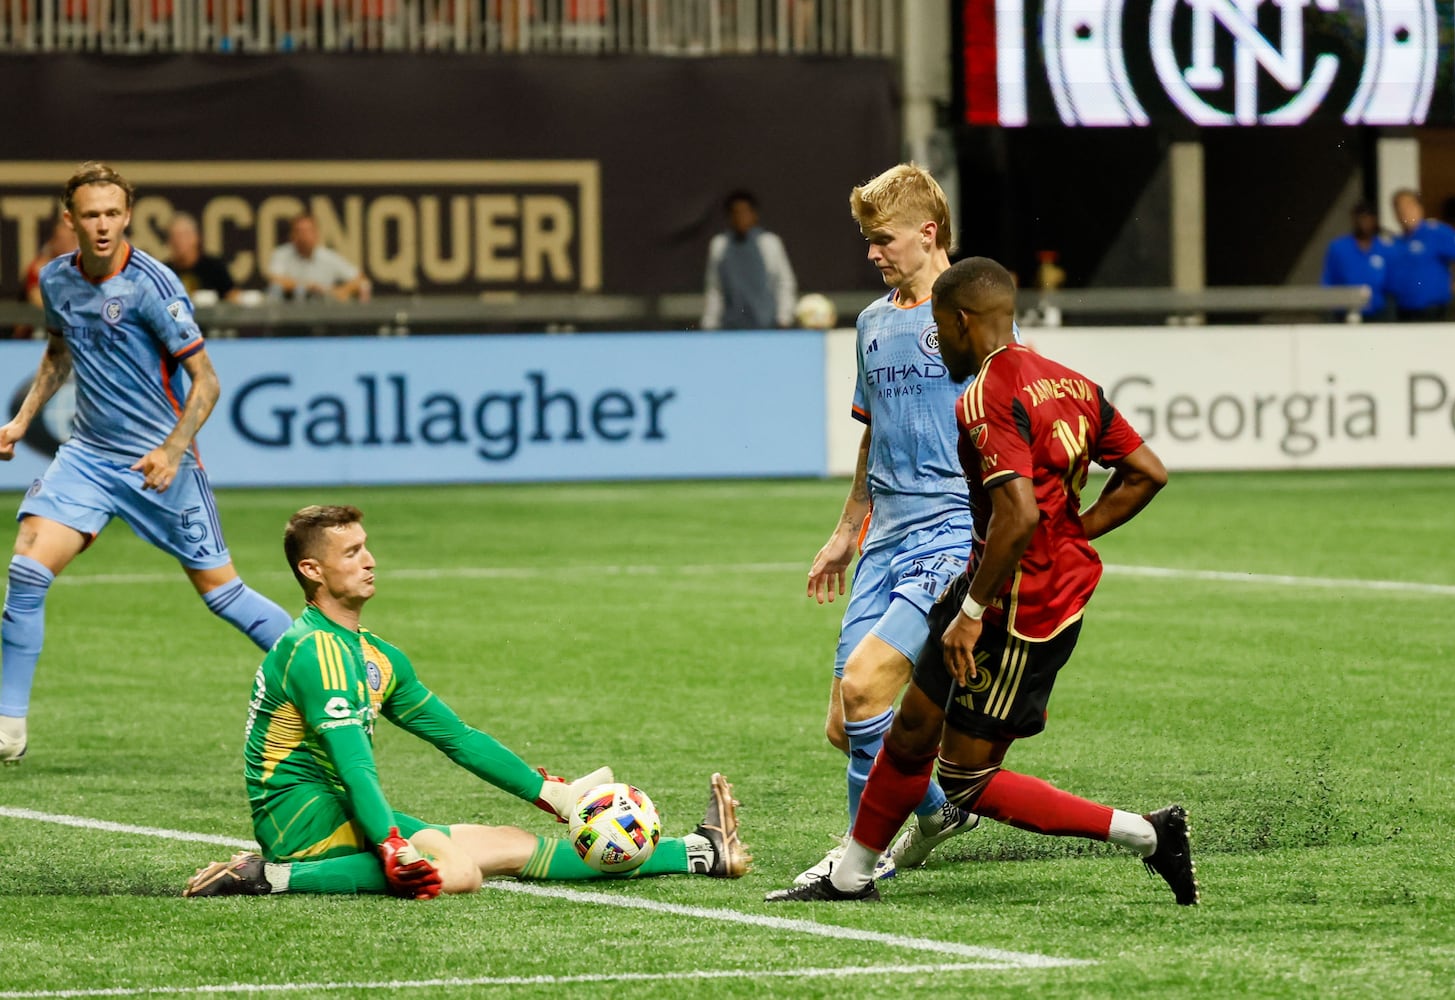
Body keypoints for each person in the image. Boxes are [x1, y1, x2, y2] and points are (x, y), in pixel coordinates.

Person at [767, 257, 1197, 906]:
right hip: (986, 581)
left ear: (963, 322)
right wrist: (1074, 532)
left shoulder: (984, 395)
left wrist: (973, 609)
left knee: (965, 782)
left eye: (939, 328)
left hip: (1023, 610)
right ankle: (852, 875)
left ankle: (1149, 834)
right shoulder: (1069, 382)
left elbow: (1018, 515)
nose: (935, 342)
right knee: (911, 728)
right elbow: (1147, 472)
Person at [183, 505, 749, 898]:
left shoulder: (375, 654)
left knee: (511, 843)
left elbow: (458, 738)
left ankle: (700, 852)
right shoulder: (316, 652)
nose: (370, 559)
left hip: (338, 805)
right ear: (312, 570)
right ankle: (272, 877)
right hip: (303, 820)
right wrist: (390, 845)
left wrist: (548, 793)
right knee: (457, 871)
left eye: (367, 547)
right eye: (351, 552)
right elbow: (355, 766)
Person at [0, 162, 293, 766]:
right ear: (70, 220)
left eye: (112, 213)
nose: (102, 225)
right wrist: (24, 420)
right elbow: (58, 353)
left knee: (224, 595)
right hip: (85, 455)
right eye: (90, 215)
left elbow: (207, 382)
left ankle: (329, 672)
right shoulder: (57, 280)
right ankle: (8, 726)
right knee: (28, 570)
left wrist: (173, 448)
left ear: (127, 215)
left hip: (160, 461)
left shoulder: (153, 286)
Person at [792, 163, 979, 888]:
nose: (872, 253)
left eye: (883, 239)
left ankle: (856, 855)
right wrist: (847, 530)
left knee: (868, 688)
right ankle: (935, 811)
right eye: (868, 240)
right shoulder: (872, 323)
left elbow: (1012, 420)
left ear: (928, 234)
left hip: (951, 533)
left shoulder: (972, 312)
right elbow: (873, 437)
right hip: (886, 537)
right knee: (846, 720)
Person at [1387, 188, 1455, 322]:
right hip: (1402, 310)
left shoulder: (1435, 232)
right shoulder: (1396, 242)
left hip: (1432, 311)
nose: (1404, 212)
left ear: (1419, 208)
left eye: (1408, 206)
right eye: (1399, 207)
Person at [700, 190, 797, 330]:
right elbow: (715, 288)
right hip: (731, 328)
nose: (740, 218)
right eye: (736, 213)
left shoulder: (770, 243)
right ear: (729, 217)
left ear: (754, 215)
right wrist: (709, 323)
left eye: (745, 212)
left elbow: (784, 283)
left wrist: (784, 318)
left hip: (767, 326)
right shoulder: (719, 245)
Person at [266, 213, 370, 302]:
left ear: (316, 234)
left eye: (308, 231)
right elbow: (275, 280)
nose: (304, 236)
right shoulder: (281, 254)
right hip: (287, 313)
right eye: (299, 231)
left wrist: (343, 290)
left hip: (323, 314)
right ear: (292, 235)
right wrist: (307, 287)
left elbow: (360, 279)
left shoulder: (328, 257)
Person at [1320, 201, 1394, 321]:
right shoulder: (1339, 247)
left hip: (1378, 314)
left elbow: (1391, 284)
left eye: (1368, 218)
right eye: (1361, 218)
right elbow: (1328, 281)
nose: (1365, 222)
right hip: (1344, 313)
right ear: (1354, 219)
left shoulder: (1385, 248)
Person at [11, 216, 79, 340]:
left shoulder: (84, 268)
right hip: (33, 337)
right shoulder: (39, 268)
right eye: (60, 240)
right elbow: (38, 299)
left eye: (71, 240)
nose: (66, 245)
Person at [165, 212, 237, 303]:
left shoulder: (214, 268)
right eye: (174, 236)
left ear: (196, 238)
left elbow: (233, 296)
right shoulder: (163, 272)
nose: (179, 241)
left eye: (184, 235)